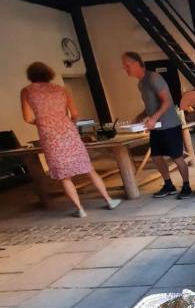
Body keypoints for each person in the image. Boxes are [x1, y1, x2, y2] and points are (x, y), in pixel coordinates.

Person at [20, 62, 122, 218]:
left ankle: (80, 209)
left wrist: (42, 121)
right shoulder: (62, 90)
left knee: (64, 176)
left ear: (30, 75)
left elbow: (27, 118)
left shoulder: (27, 91)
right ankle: (109, 200)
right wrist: (68, 123)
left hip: (49, 135)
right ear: (49, 73)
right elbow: (74, 114)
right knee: (88, 168)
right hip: (68, 131)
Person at [122, 52, 192, 198]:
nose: (125, 68)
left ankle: (187, 186)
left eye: (127, 65)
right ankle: (168, 185)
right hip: (157, 126)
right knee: (156, 157)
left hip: (170, 124)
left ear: (136, 63)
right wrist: (141, 116)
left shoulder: (154, 77)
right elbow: (151, 105)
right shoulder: (141, 83)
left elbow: (167, 101)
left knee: (177, 157)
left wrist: (153, 118)